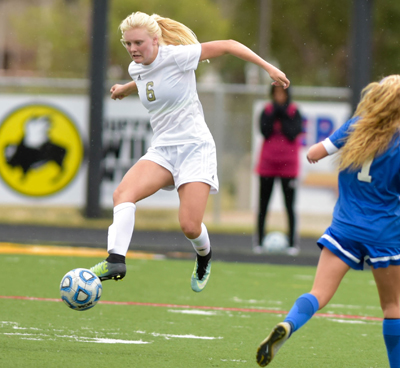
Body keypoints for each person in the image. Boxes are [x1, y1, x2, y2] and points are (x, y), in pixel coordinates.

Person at [89, 11, 290, 293]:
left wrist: (268, 67)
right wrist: (126, 88)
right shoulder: (136, 68)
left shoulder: (178, 56)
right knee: (123, 194)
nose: (133, 49)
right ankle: (115, 260)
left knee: (189, 226)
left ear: (156, 40)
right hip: (162, 150)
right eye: (128, 44)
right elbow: (150, 79)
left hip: (195, 148)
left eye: (138, 43)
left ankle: (204, 256)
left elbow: (230, 44)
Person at [256, 75, 400, 367]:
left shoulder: (355, 127)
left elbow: (313, 153)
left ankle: (289, 324)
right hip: (384, 232)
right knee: (393, 307)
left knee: (318, 293)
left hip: (344, 227)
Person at [254, 85, 302, 255]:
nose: (279, 96)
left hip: (288, 166)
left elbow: (292, 133)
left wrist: (283, 115)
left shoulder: (294, 111)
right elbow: (264, 131)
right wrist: (275, 113)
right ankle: (259, 241)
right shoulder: (266, 110)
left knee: (289, 205)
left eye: (282, 93)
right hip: (267, 165)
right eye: (276, 93)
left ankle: (292, 243)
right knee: (263, 204)